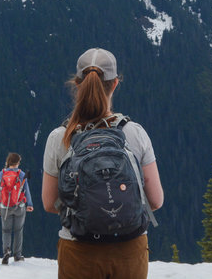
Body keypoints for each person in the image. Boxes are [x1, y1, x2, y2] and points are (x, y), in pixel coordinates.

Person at [42, 48, 164, 279]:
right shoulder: (135, 133)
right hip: (130, 250)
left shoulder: (60, 137)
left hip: (78, 249)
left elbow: (49, 203)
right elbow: (156, 200)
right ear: (115, 83)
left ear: (77, 84)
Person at [0, 152, 34, 265]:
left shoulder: (1, 174)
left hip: (4, 207)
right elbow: (26, 190)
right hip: (19, 206)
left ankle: (6, 251)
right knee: (18, 230)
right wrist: (29, 204)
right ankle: (17, 255)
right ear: (17, 163)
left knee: (6, 231)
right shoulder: (21, 174)